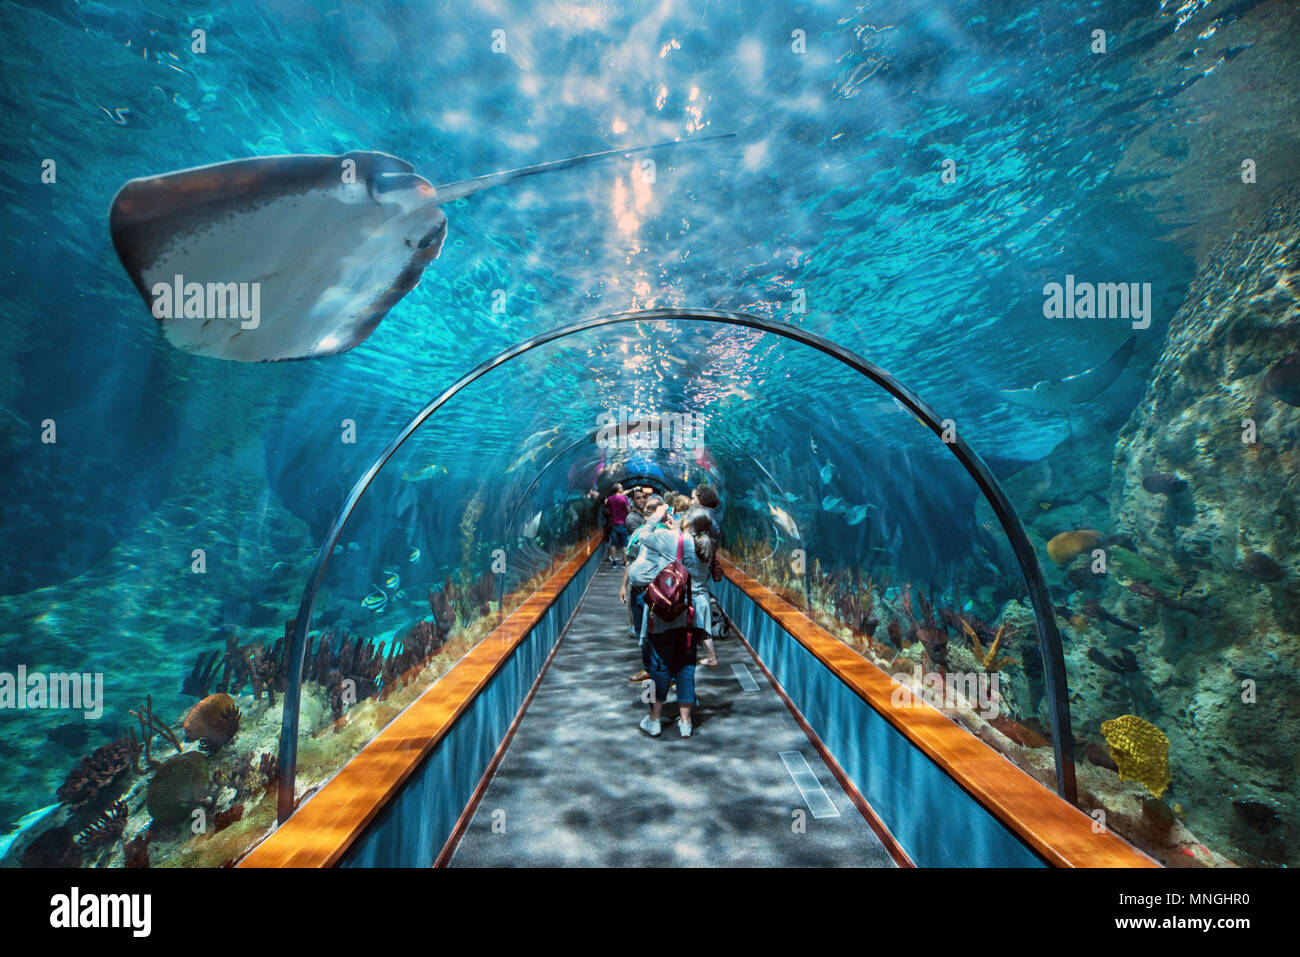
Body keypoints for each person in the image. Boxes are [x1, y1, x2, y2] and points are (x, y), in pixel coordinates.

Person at [635, 502, 713, 738]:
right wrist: (675, 528)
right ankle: (686, 723)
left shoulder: (670, 539)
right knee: (686, 667)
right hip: (694, 618)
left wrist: (656, 517)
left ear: (687, 522)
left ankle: (654, 720)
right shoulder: (706, 546)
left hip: (667, 615)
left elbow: (643, 536)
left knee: (658, 667)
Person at [603, 483, 631, 565]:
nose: (622, 488)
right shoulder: (623, 498)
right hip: (623, 523)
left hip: (614, 524)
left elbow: (607, 508)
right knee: (624, 544)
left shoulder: (610, 499)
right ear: (619, 489)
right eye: (621, 487)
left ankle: (614, 561)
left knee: (613, 543)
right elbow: (628, 509)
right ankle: (625, 561)